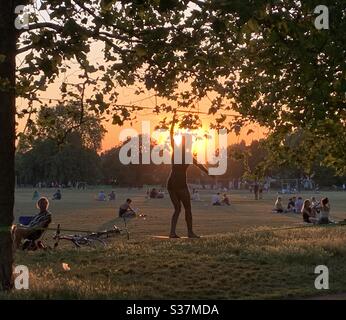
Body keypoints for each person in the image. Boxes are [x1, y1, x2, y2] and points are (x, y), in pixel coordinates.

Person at [167, 115, 209, 238]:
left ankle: (175, 232)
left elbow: (199, 165)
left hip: (172, 183)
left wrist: (208, 172)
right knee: (185, 208)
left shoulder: (182, 152)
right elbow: (199, 165)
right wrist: (174, 121)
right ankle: (186, 232)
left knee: (179, 209)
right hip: (178, 183)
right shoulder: (181, 152)